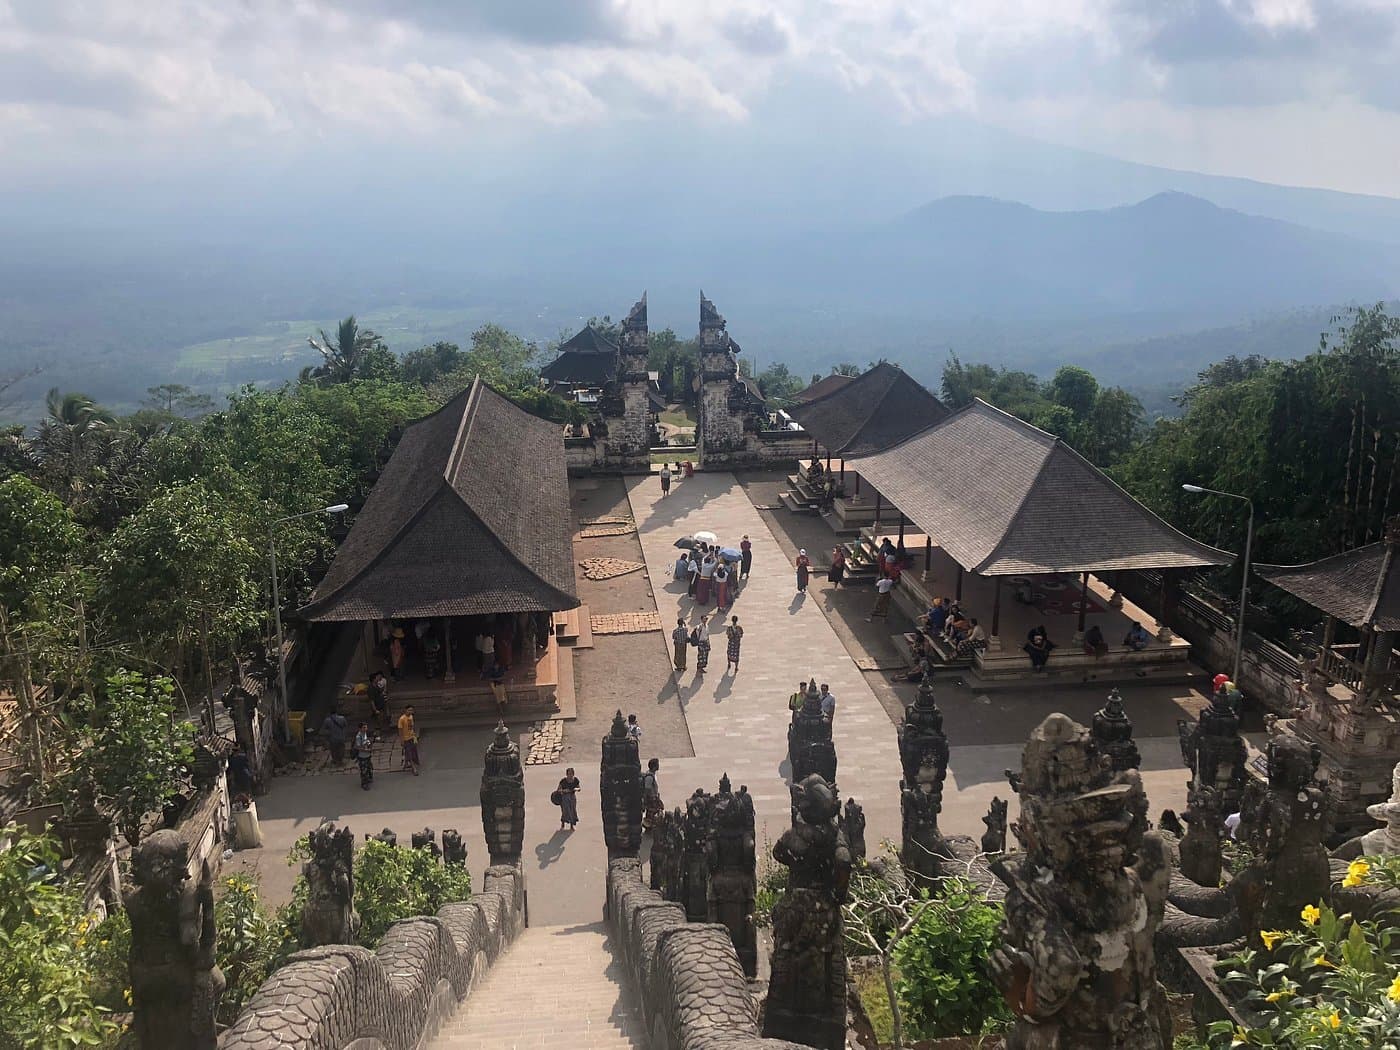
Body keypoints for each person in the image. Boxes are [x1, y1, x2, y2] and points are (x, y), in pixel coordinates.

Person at [397, 705, 420, 775]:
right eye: (409, 710)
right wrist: (401, 740)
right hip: (405, 738)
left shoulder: (411, 717)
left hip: (411, 737)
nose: (410, 712)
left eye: (411, 710)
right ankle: (413, 768)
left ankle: (407, 763)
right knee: (409, 752)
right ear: (405, 710)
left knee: (412, 751)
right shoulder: (402, 719)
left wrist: (415, 736)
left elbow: (412, 727)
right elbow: (400, 731)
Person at [641, 758, 663, 832]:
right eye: (657, 764)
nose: (658, 766)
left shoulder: (652, 775)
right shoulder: (649, 777)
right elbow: (647, 789)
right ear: (654, 766)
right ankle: (649, 827)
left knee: (653, 813)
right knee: (651, 814)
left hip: (654, 798)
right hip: (651, 799)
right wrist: (646, 800)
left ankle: (651, 826)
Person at [353, 722, 374, 790]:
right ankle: (364, 784)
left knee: (369, 767)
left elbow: (366, 741)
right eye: (364, 727)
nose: (366, 729)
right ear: (360, 728)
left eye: (366, 727)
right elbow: (358, 747)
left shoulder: (364, 734)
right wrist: (366, 750)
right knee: (363, 770)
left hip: (367, 755)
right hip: (362, 756)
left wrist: (369, 745)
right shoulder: (358, 736)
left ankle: (368, 779)